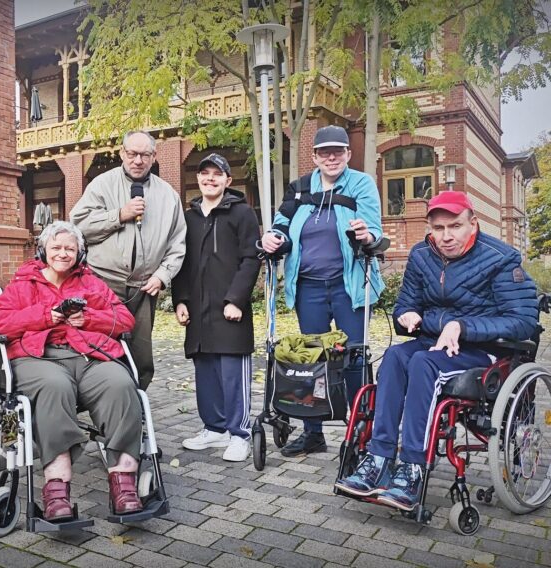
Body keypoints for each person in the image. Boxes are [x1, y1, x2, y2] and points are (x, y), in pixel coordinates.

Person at [334, 191, 538, 511]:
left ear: (473, 223)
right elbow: (406, 305)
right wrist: (407, 316)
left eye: (455, 226)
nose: (446, 236)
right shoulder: (420, 255)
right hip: (433, 342)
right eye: (438, 228)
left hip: (482, 352)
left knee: (423, 363)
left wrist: (462, 326)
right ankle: (378, 458)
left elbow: (523, 321)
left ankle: (412, 468)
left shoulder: (500, 258)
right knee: (395, 357)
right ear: (429, 227)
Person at [0, 221, 144, 521]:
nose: (63, 253)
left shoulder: (90, 283)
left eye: (70, 248)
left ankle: (124, 484)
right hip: (37, 358)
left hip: (87, 356)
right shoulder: (24, 284)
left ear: (80, 254)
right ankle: (57, 490)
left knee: (119, 383)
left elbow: (124, 319)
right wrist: (46, 316)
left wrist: (90, 319)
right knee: (54, 386)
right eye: (56, 247)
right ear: (43, 250)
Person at [260, 125, 384, 457]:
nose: (332, 157)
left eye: (338, 151)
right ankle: (313, 432)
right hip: (309, 288)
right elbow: (281, 224)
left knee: (353, 358)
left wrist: (365, 235)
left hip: (348, 287)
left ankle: (361, 434)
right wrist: (272, 238)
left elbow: (374, 229)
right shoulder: (299, 187)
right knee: (311, 359)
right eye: (324, 152)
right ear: (314, 156)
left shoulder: (361, 184)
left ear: (348, 154)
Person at [70, 130, 187, 390]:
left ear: (154, 156)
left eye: (144, 155)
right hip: (103, 285)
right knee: (100, 347)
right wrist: (119, 215)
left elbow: (178, 245)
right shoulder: (102, 185)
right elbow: (78, 225)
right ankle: (102, 403)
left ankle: (136, 405)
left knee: (140, 354)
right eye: (132, 154)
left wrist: (162, 276)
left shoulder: (168, 195)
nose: (138, 160)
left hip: (145, 288)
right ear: (122, 153)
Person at [172, 153, 261, 462]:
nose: (210, 179)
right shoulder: (189, 217)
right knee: (205, 370)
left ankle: (240, 434)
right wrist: (181, 299)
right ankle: (214, 428)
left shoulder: (242, 213)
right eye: (204, 174)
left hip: (230, 308)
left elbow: (251, 258)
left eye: (216, 174)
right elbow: (180, 261)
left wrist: (236, 299)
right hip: (198, 308)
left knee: (232, 371)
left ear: (227, 180)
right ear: (198, 179)